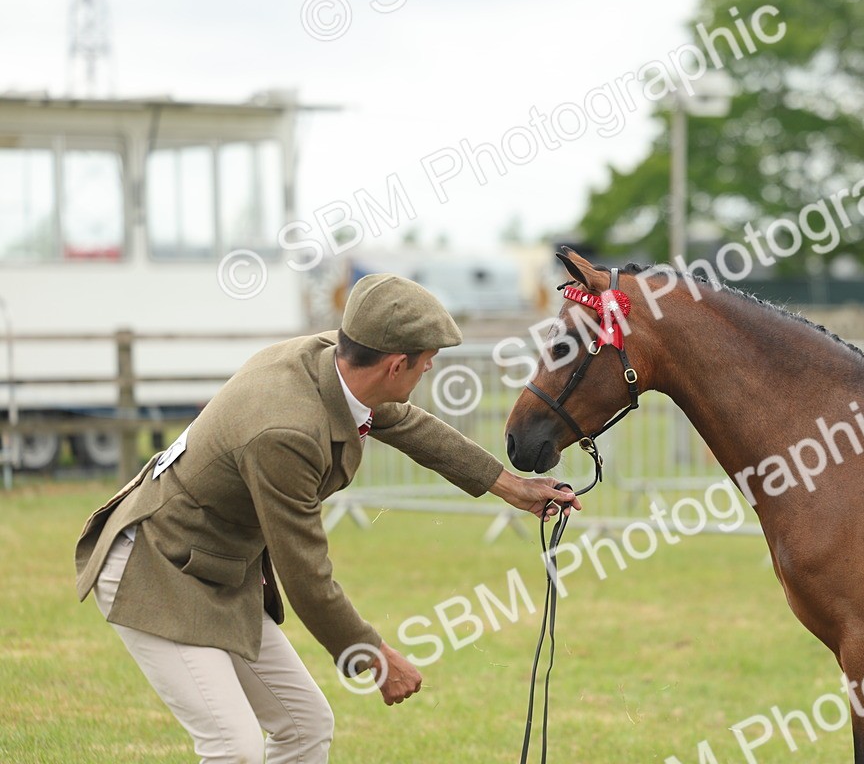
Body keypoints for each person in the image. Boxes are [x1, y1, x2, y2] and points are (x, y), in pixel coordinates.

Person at [74, 273, 579, 763]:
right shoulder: (285, 432)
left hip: (215, 566)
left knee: (305, 726)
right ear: (395, 365)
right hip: (155, 568)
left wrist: (514, 487)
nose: (429, 370)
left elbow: (406, 423)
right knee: (234, 749)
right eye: (426, 361)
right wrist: (375, 656)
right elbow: (307, 578)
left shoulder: (334, 362)